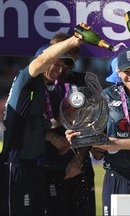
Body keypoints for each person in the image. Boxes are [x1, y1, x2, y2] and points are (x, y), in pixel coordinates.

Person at [66, 47, 130, 216]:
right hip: (116, 176)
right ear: (118, 71)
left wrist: (117, 143)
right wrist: (80, 136)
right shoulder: (106, 96)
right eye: (126, 71)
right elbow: (97, 140)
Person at [0, 35, 82, 215]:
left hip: (35, 165)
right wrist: (73, 41)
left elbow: (38, 124)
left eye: (62, 66)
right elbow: (43, 59)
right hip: (17, 164)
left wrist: (64, 124)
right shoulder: (27, 79)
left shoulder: (40, 89)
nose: (58, 69)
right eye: (55, 63)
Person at [41, 32, 96, 216]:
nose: (65, 66)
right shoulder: (38, 81)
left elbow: (96, 124)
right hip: (49, 165)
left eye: (71, 60)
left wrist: (78, 160)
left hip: (80, 164)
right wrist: (51, 135)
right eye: (61, 58)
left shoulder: (84, 81)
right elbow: (26, 122)